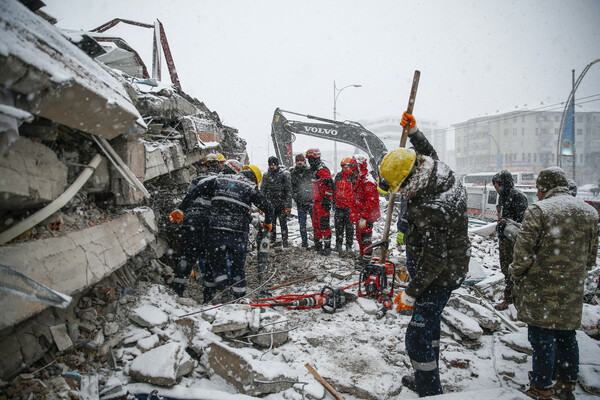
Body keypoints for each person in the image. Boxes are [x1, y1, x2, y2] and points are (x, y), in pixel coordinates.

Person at [379, 112, 470, 397]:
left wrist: (411, 292)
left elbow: (435, 258)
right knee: (430, 328)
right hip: (452, 265)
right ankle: (429, 373)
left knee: (417, 336)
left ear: (407, 181)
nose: (401, 193)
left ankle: (430, 389)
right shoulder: (439, 173)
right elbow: (427, 154)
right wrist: (415, 132)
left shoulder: (428, 207)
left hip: (439, 276)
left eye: (399, 188)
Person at [509, 167, 598, 400]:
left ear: (544, 188)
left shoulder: (539, 210)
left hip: (540, 289)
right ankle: (566, 384)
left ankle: (541, 386)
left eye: (538, 189)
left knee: (542, 339)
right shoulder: (589, 212)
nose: (537, 194)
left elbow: (522, 253)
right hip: (572, 289)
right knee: (568, 336)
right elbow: (591, 257)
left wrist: (516, 274)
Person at [172, 164, 274, 302]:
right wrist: (268, 222)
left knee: (217, 264)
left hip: (216, 230)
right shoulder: (250, 187)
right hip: (238, 232)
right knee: (237, 266)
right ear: (254, 179)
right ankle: (239, 298)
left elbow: (196, 191)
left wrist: (181, 209)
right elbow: (268, 207)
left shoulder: (219, 180)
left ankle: (222, 292)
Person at [168, 153, 220, 298]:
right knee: (209, 259)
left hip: (191, 221)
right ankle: (209, 295)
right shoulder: (219, 181)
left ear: (205, 167)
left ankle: (177, 291)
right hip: (209, 222)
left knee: (187, 256)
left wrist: (181, 210)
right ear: (218, 167)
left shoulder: (196, 180)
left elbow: (189, 197)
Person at [492, 170, 528, 311]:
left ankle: (511, 299)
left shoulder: (518, 197)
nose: (496, 188)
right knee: (505, 269)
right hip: (504, 238)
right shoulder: (502, 196)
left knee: (512, 269)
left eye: (496, 185)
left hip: (513, 240)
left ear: (503, 184)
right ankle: (512, 297)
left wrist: (506, 223)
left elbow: (521, 222)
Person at [348, 155, 380, 262]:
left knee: (365, 238)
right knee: (360, 236)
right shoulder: (361, 179)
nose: (353, 173)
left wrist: (364, 216)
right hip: (361, 215)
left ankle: (366, 259)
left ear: (359, 168)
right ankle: (363, 255)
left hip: (365, 216)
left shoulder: (367, 181)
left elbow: (370, 202)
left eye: (354, 170)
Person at [306, 148, 334, 255]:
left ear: (317, 158)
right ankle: (317, 245)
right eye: (309, 159)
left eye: (311, 159)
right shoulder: (314, 170)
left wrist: (327, 199)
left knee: (324, 225)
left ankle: (327, 247)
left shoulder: (322, 170)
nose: (310, 161)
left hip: (322, 202)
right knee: (316, 224)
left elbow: (330, 186)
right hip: (316, 201)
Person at [260, 156, 292, 247]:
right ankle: (272, 240)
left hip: (282, 204)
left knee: (283, 224)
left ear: (277, 165)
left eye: (273, 165)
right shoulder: (266, 175)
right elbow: (263, 190)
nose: (271, 167)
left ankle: (285, 241)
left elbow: (288, 190)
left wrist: (288, 205)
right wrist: (262, 206)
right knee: (271, 224)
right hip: (271, 205)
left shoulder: (284, 174)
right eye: (270, 165)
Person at [290, 153, 313, 248]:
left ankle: (317, 241)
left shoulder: (310, 171)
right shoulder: (293, 173)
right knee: (302, 224)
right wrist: (296, 197)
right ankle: (304, 242)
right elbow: (292, 187)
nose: (300, 163)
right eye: (298, 161)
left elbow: (313, 184)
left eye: (301, 161)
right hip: (300, 203)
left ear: (304, 161)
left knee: (315, 223)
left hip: (310, 201)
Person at [333, 157, 355, 253]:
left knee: (349, 228)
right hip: (339, 207)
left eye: (346, 167)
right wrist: (333, 202)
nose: (344, 169)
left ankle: (349, 246)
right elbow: (334, 190)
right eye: (343, 167)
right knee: (339, 228)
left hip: (349, 207)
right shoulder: (338, 176)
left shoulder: (353, 177)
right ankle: (338, 245)